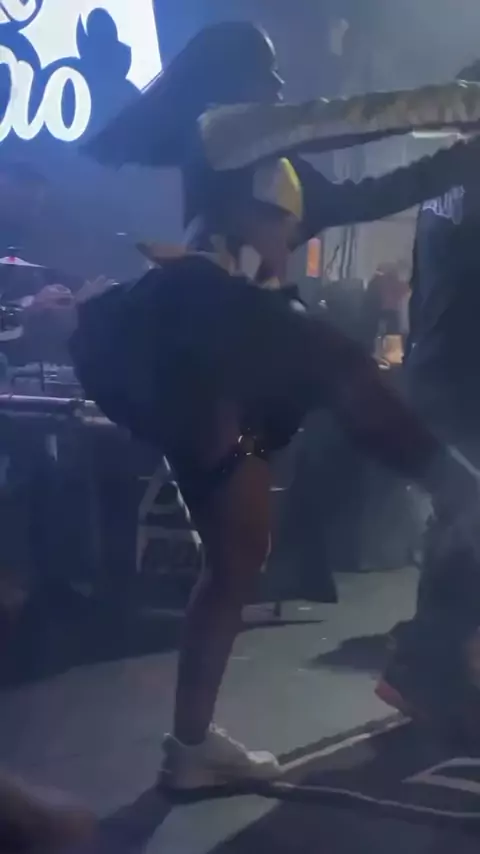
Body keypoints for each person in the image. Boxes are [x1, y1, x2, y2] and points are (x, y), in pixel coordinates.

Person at [77, 22, 480, 789]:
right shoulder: (222, 131)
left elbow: (376, 193)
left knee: (237, 556)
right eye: (266, 68)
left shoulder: (290, 173)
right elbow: (346, 118)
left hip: (243, 378)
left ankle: (191, 748)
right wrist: (464, 101)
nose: (280, 82)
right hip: (206, 337)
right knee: (343, 371)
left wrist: (463, 154)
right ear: (230, 73)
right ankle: (458, 490)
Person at [377, 60, 480, 739]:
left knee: (460, 523)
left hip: (439, 372)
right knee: (466, 523)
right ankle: (422, 668)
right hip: (463, 379)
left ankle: (436, 673)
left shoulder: (446, 182)